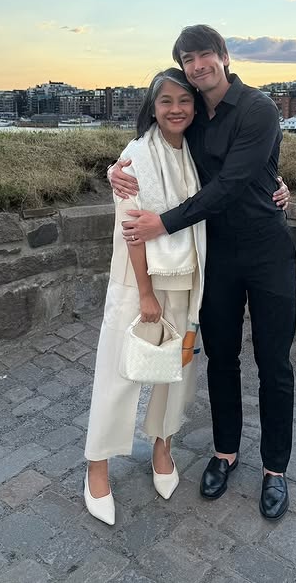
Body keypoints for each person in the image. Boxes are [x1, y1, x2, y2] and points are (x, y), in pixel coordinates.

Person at [110, 24, 296, 520]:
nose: (197, 66)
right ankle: (225, 452)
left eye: (204, 55)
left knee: (274, 362)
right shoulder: (192, 113)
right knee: (221, 357)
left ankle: (275, 468)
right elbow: (154, 144)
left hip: (267, 251)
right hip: (216, 254)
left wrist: (163, 223)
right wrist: (115, 168)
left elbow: (233, 182)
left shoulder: (258, 108)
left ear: (224, 56)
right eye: (188, 59)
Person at [83, 68, 206, 525]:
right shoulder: (134, 157)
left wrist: (279, 186)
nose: (176, 109)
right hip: (139, 283)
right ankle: (97, 466)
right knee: (118, 372)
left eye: (184, 100)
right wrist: (147, 294)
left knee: (176, 373)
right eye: (166, 101)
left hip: (188, 278)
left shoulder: (198, 151)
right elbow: (131, 229)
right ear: (152, 108)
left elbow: (236, 179)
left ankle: (163, 447)